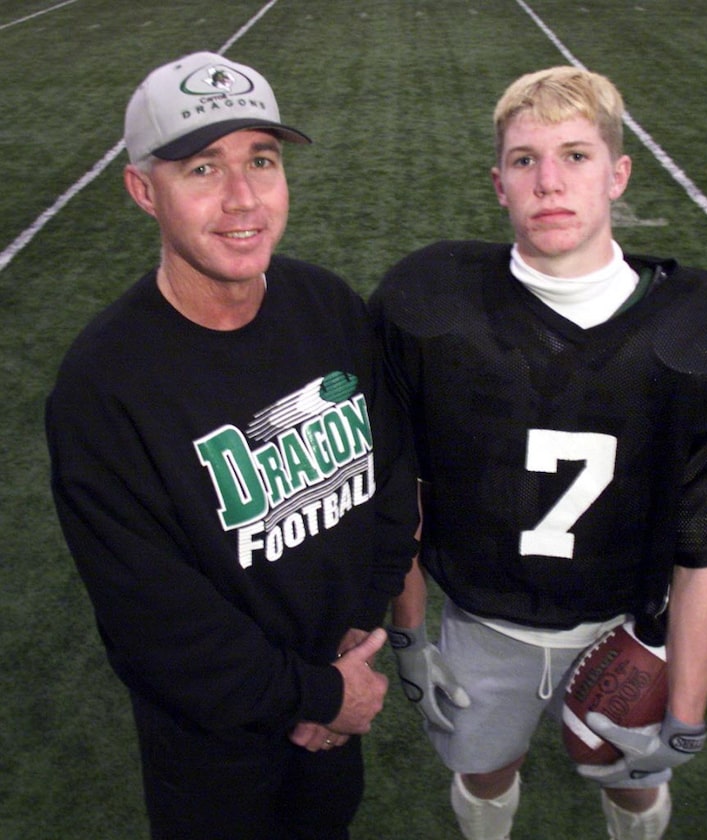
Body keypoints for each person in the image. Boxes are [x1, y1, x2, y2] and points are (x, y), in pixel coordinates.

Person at [370, 66, 707, 840]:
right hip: (483, 624)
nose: (549, 181)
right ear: (498, 182)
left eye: (575, 155)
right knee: (482, 772)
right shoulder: (433, 310)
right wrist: (408, 632)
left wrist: (688, 714)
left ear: (618, 174)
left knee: (636, 788)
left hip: (628, 633)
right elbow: (401, 494)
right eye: (523, 159)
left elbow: (703, 553)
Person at [46, 51, 418, 840]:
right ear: (144, 190)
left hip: (336, 682)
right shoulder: (104, 386)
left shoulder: (327, 305)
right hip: (217, 753)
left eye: (262, 160)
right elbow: (155, 622)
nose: (243, 198)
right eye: (202, 168)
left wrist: (356, 631)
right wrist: (315, 698)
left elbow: (388, 475)